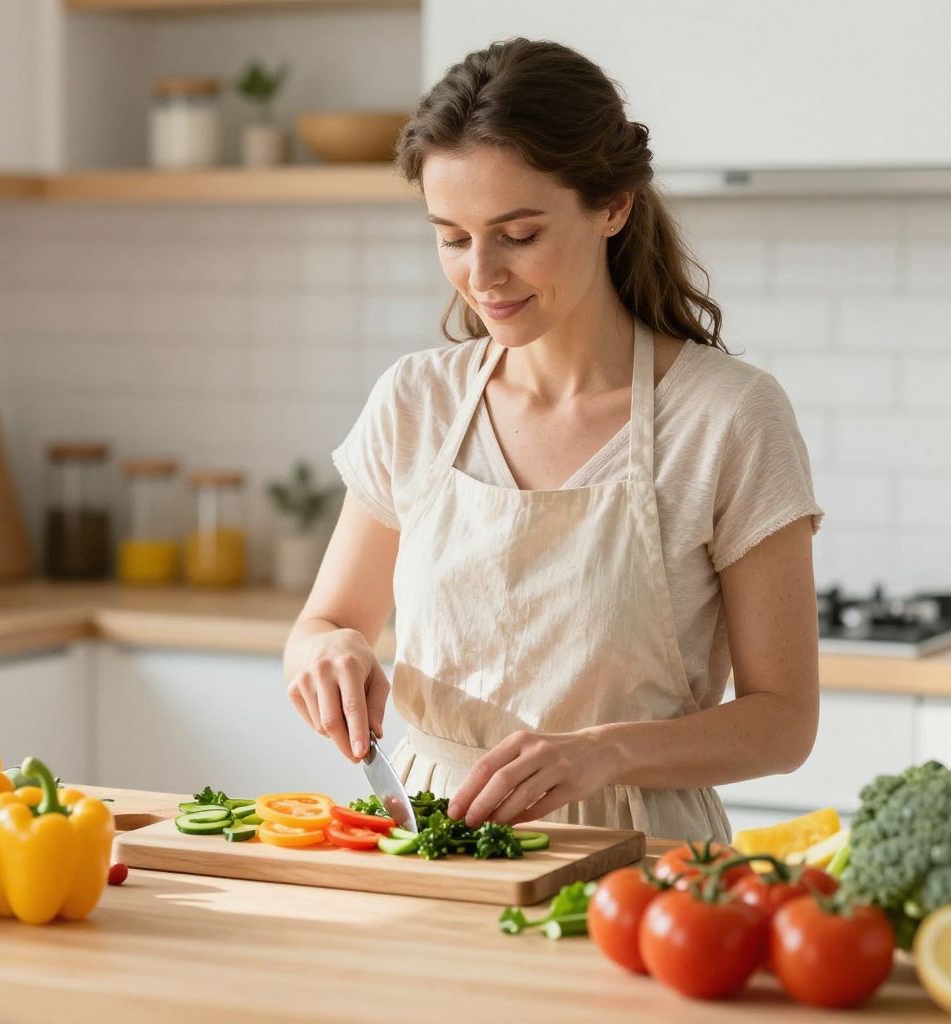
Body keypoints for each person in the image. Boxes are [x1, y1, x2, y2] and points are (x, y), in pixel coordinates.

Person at [282, 38, 823, 842]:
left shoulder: (729, 417)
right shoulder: (416, 401)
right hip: (433, 841)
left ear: (612, 205)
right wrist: (325, 656)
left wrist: (603, 754)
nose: (482, 275)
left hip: (641, 864)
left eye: (519, 234)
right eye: (452, 237)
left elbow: (784, 724)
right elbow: (323, 624)